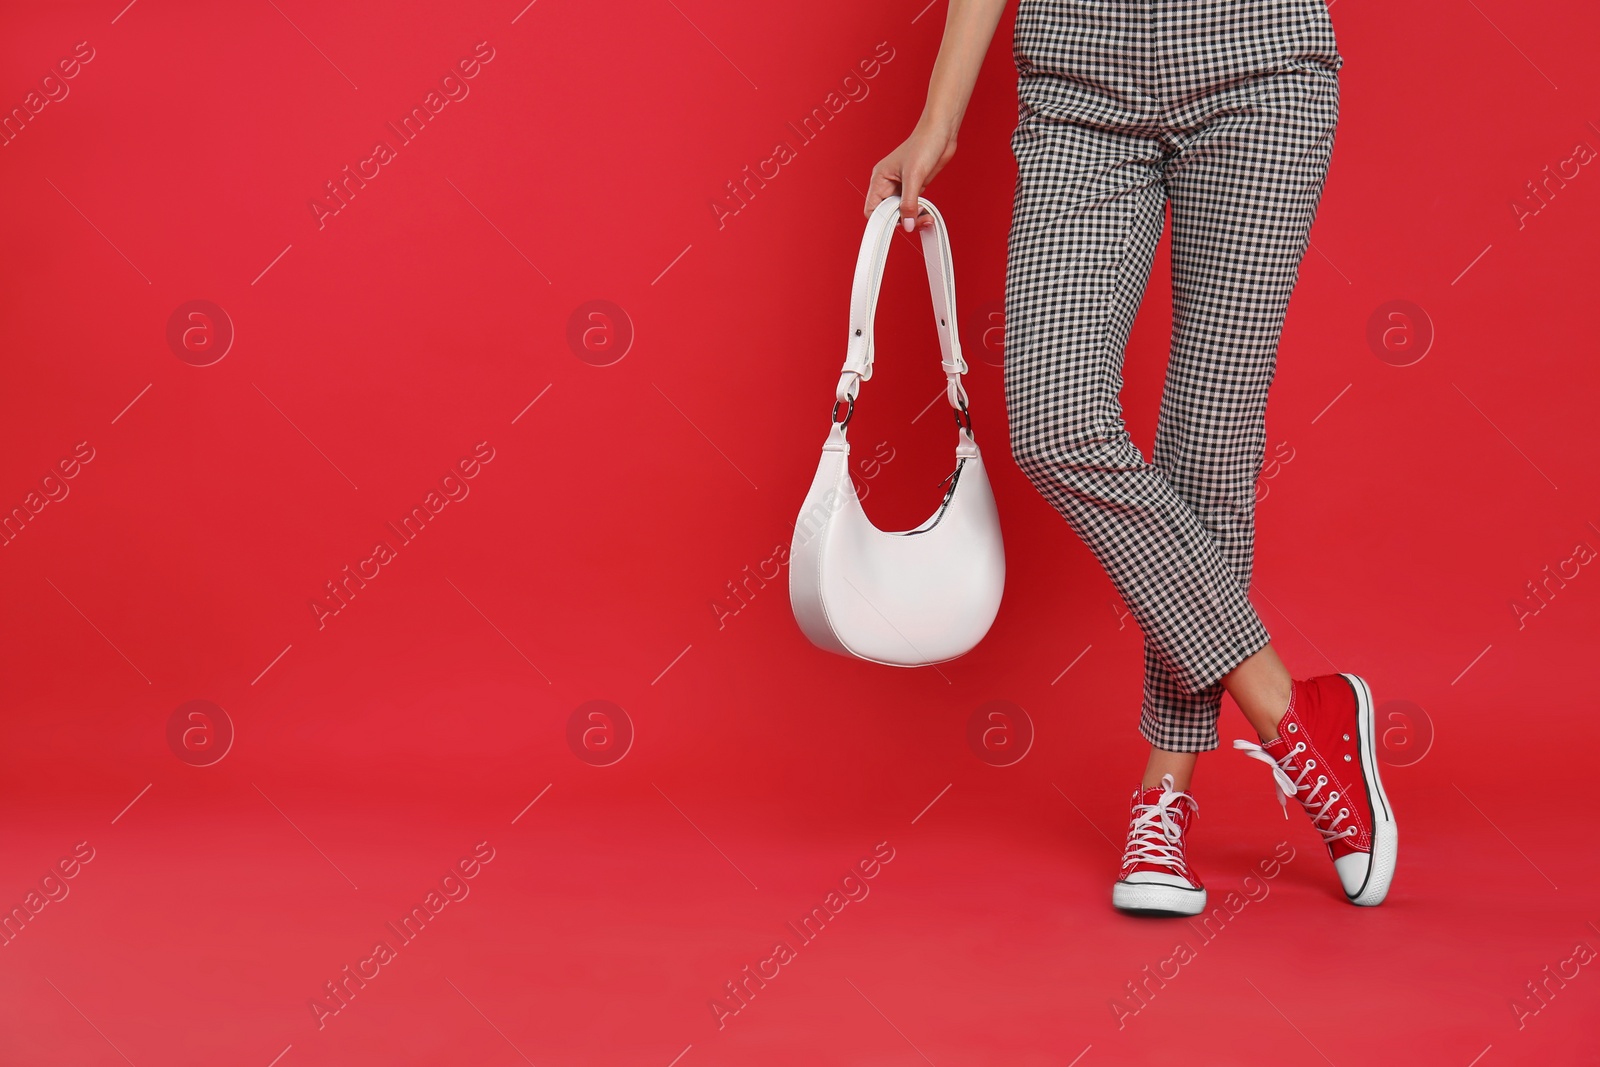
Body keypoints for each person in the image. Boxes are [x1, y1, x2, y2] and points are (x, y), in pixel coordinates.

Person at [865, 0, 1396, 915]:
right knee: (1053, 418)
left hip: (1259, 66)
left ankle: (1167, 792)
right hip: (1080, 83)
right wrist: (939, 118)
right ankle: (1291, 709)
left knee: (1210, 438)